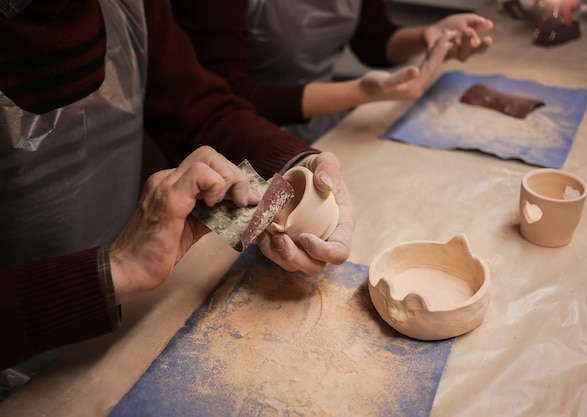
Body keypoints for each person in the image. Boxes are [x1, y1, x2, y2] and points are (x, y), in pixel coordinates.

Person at [0, 0, 355, 380]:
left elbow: (198, 108)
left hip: (130, 307)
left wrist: (296, 166)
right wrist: (110, 270)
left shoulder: (129, 7)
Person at [171, 0, 495, 143]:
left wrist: (428, 34)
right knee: (240, 257)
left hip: (320, 127)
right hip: (231, 140)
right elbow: (223, 96)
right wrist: (360, 93)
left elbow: (372, 38)